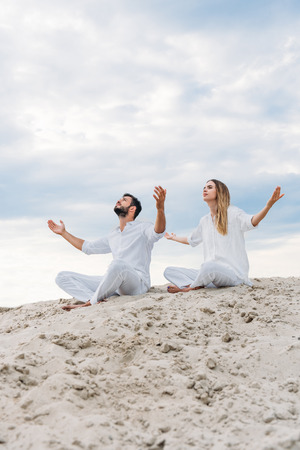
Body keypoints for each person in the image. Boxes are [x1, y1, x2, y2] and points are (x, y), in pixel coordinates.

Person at [48, 186, 166, 310]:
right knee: (62, 277)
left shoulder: (143, 227)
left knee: (118, 264)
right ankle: (92, 299)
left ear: (132, 209)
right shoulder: (113, 234)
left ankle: (91, 303)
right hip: (117, 285)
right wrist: (64, 233)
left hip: (137, 284)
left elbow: (158, 231)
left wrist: (160, 209)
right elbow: (88, 247)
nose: (119, 200)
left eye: (124, 200)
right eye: (119, 199)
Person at [164, 180, 284, 293]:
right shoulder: (204, 220)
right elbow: (191, 240)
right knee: (169, 271)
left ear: (220, 192)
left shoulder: (233, 213)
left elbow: (252, 221)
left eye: (209, 187)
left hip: (233, 276)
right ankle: (196, 284)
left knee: (208, 266)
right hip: (212, 278)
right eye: (204, 188)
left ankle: (190, 287)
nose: (205, 190)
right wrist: (173, 237)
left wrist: (268, 206)